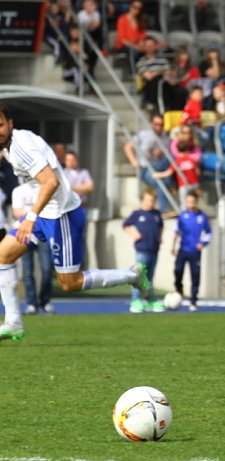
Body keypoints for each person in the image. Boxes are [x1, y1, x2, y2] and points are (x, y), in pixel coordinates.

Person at [0, 106, 149, 340]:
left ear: (10, 123)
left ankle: (133, 276)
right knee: (3, 256)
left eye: (0, 125)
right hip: (43, 214)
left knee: (70, 283)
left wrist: (30, 218)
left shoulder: (21, 147)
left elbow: (51, 183)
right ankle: (14, 322)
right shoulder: (9, 144)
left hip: (62, 216)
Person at [12, 183, 52, 315]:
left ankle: (45, 301)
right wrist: (36, 212)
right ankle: (31, 303)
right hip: (25, 235)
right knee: (28, 271)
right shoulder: (19, 190)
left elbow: (50, 211)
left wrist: (30, 213)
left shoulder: (43, 189)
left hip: (43, 233)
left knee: (47, 269)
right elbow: (17, 213)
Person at [123, 189, 164, 313]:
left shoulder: (156, 214)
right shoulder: (137, 214)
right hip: (142, 250)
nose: (150, 203)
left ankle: (150, 300)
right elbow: (125, 225)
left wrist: (160, 237)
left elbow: (161, 226)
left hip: (154, 250)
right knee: (139, 277)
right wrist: (133, 233)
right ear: (143, 200)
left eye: (152, 200)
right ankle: (135, 301)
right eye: (148, 200)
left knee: (149, 278)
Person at [172, 190, 210, 312]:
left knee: (195, 275)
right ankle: (179, 289)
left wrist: (203, 243)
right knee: (177, 271)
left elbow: (208, 232)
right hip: (183, 249)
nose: (191, 204)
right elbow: (176, 231)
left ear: (196, 202)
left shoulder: (202, 217)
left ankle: (193, 300)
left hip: (195, 251)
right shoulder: (182, 216)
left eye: (193, 201)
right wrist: (173, 246)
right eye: (188, 202)